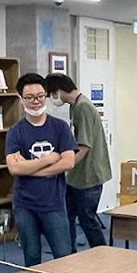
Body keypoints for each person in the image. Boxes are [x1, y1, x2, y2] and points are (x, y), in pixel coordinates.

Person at [6, 73, 77, 266]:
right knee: (32, 259)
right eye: (29, 98)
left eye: (40, 96)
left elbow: (68, 162)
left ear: (46, 96)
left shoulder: (60, 128)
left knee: (63, 258)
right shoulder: (15, 132)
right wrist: (50, 159)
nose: (35, 102)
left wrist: (28, 168)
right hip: (24, 206)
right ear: (21, 100)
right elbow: (13, 168)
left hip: (54, 204)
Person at [46, 73, 113, 251]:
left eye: (51, 94)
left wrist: (66, 165)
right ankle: (70, 253)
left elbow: (84, 146)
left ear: (59, 90)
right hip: (77, 176)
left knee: (87, 219)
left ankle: (101, 254)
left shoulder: (83, 107)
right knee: (68, 214)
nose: (52, 99)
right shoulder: (74, 106)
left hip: (89, 174)